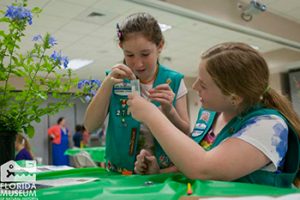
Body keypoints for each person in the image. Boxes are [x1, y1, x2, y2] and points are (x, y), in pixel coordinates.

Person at [128, 42, 300, 188]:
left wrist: (151, 115)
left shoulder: (268, 126)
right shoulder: (211, 115)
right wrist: (159, 172)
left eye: (203, 85)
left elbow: (203, 168)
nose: (194, 87)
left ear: (234, 96)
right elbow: (195, 157)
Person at [84, 12, 190, 173]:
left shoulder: (174, 81)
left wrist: (170, 111)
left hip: (161, 174)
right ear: (121, 48)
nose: (138, 63)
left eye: (145, 54)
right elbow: (90, 126)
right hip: (119, 174)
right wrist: (106, 85)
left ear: (160, 46)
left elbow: (186, 133)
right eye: (129, 55)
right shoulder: (114, 80)